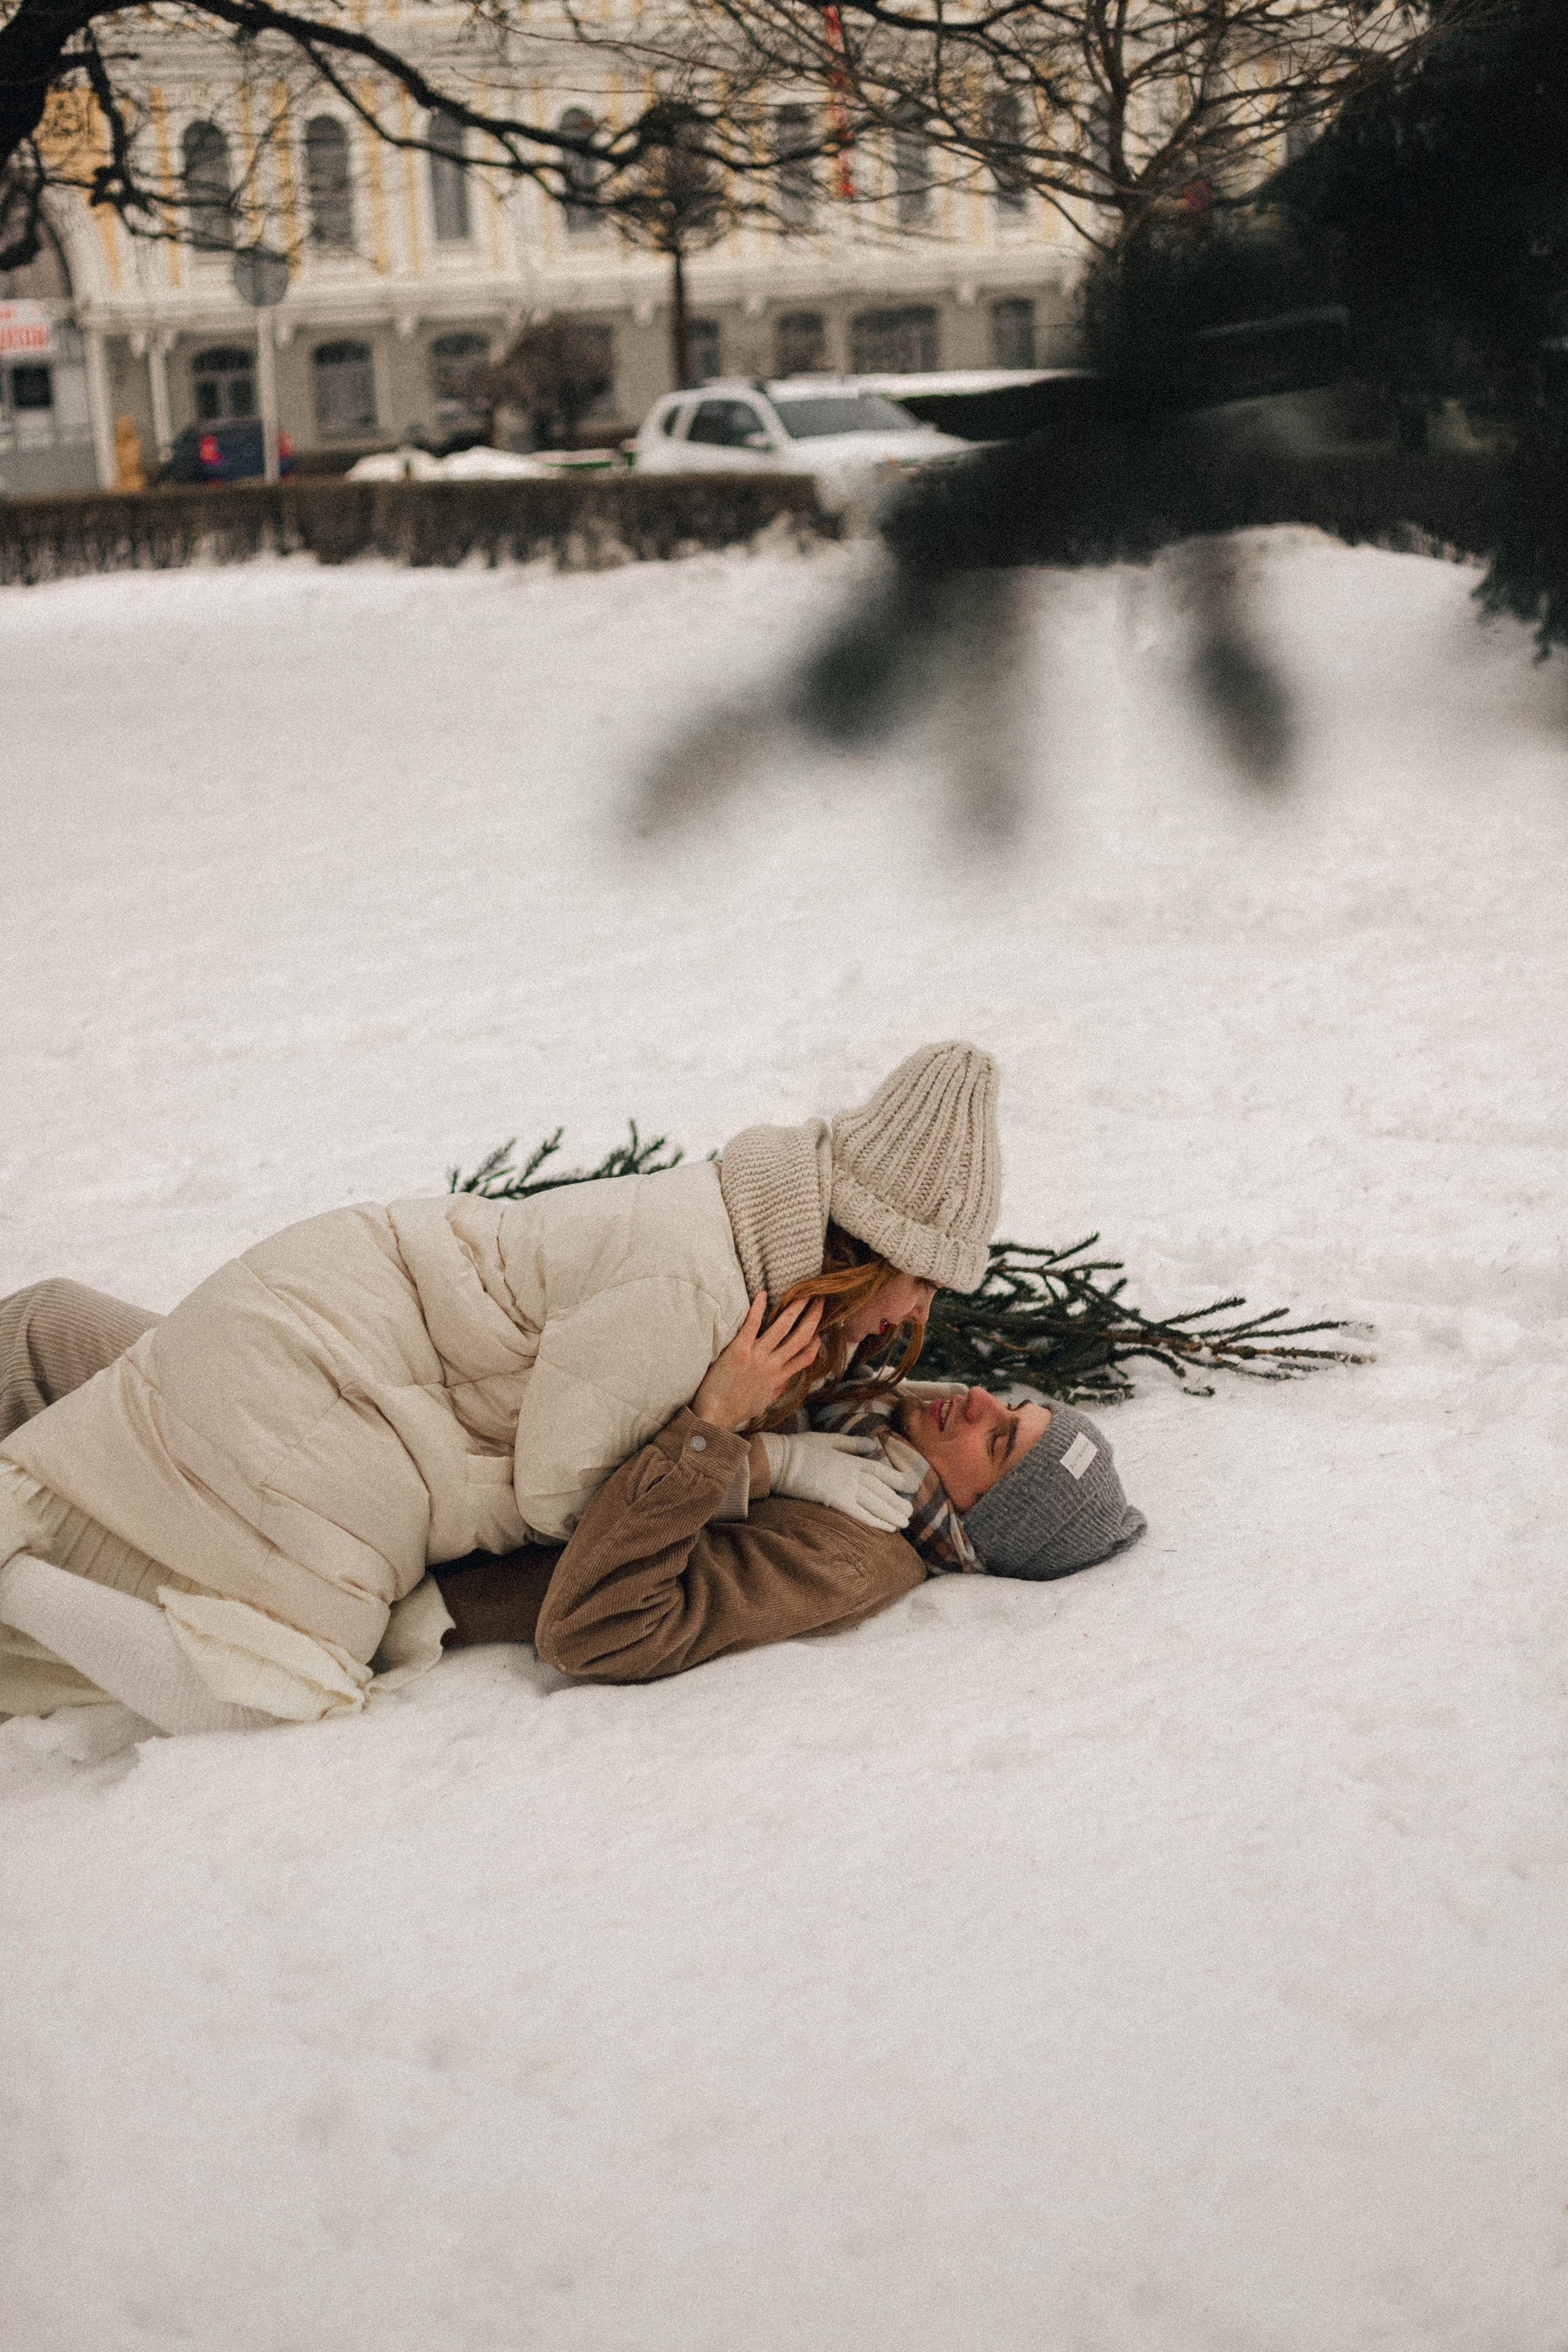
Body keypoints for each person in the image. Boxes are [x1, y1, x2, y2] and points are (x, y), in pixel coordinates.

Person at [0, 1043, 1001, 1725]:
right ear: (864, 1247)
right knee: (295, 1659)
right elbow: (557, 1495)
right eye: (919, 1282)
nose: (917, 1314)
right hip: (332, 1367)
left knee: (63, 1348)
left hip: (349, 1333)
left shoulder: (755, 1254)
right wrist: (754, 1449)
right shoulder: (694, 1287)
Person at [0, 1277, 1146, 1725]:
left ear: (979, 1523)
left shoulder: (849, 1555)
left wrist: (721, 1432)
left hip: (377, 1521)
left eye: (1000, 1441)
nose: (979, 1405)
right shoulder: (874, 1424)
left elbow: (600, 1629)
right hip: (415, 1421)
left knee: (50, 1425)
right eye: (1011, 1404)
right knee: (51, 1328)